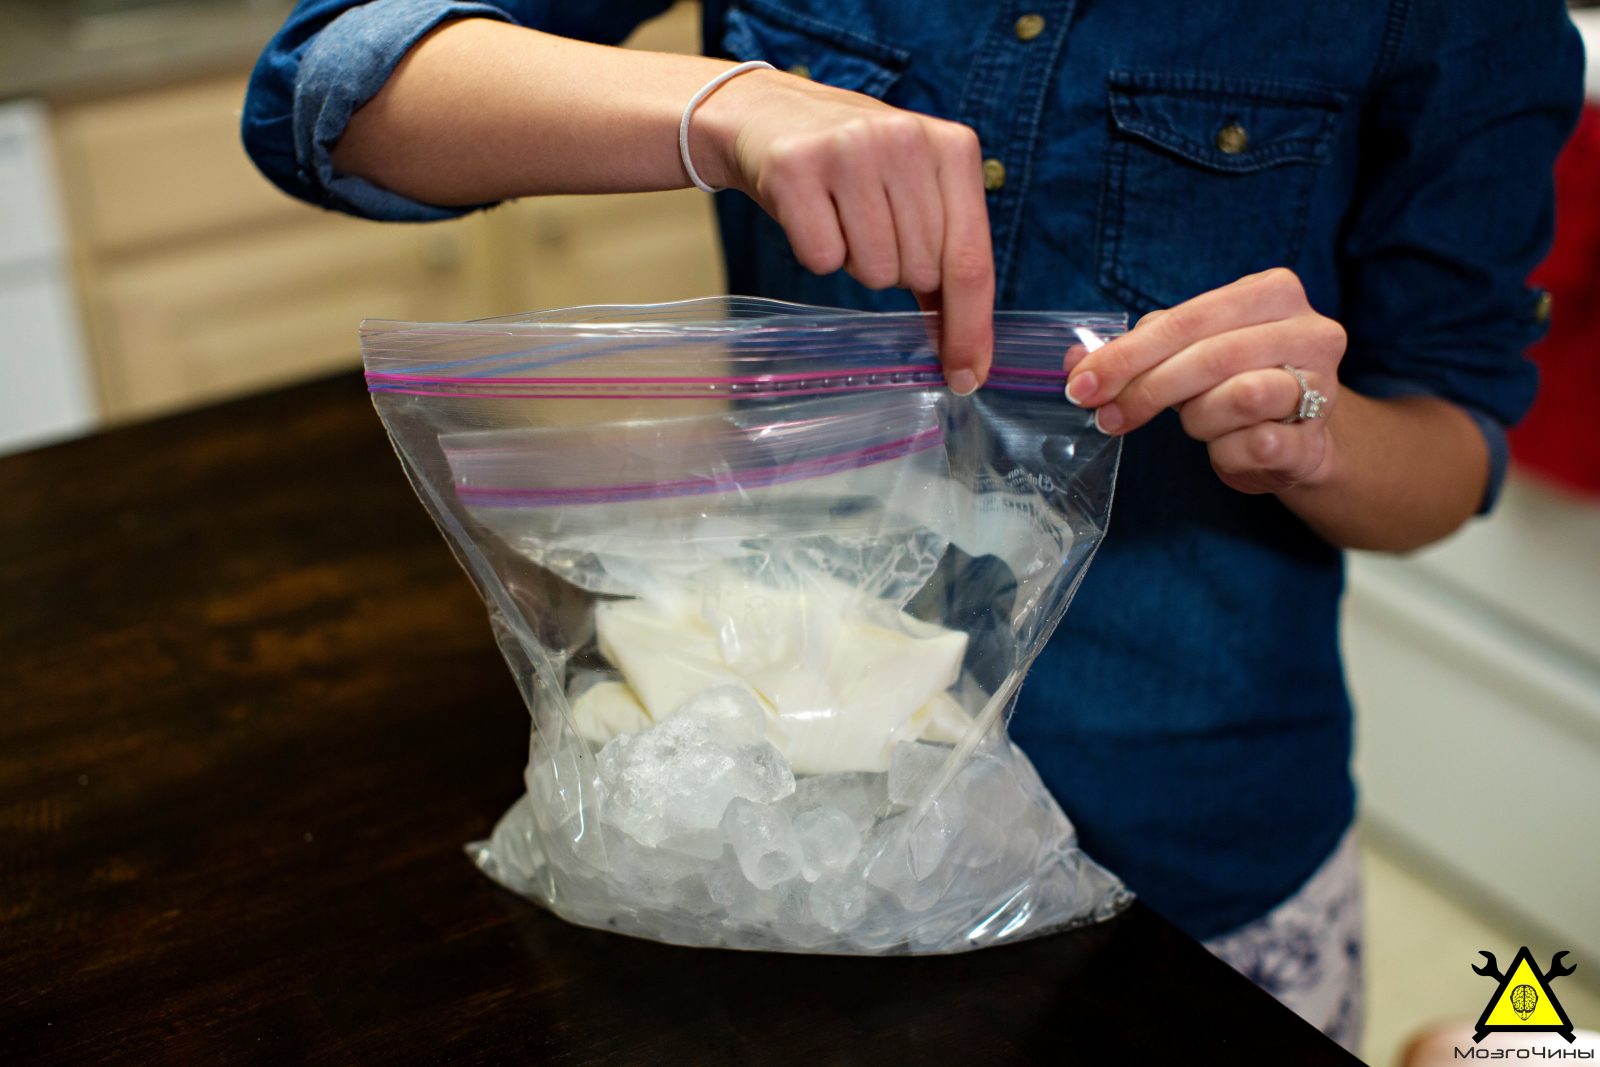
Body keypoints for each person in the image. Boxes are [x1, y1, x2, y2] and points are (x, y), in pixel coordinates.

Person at [243, 0, 1584, 1049]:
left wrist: (1318, 430)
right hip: (776, 845)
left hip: (1190, 838)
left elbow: (1452, 447)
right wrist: (724, 107)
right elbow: (325, 90)